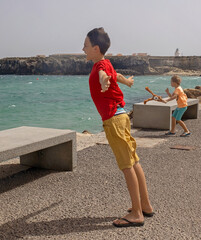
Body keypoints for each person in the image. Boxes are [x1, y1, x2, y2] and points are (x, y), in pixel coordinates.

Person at [82, 27, 153, 228]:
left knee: (127, 166)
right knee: (134, 161)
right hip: (121, 117)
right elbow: (115, 74)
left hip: (114, 120)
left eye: (86, 46)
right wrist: (127, 82)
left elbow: (105, 75)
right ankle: (145, 205)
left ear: (96, 48)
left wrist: (104, 82)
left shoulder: (99, 67)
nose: (83, 49)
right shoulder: (106, 63)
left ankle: (137, 213)